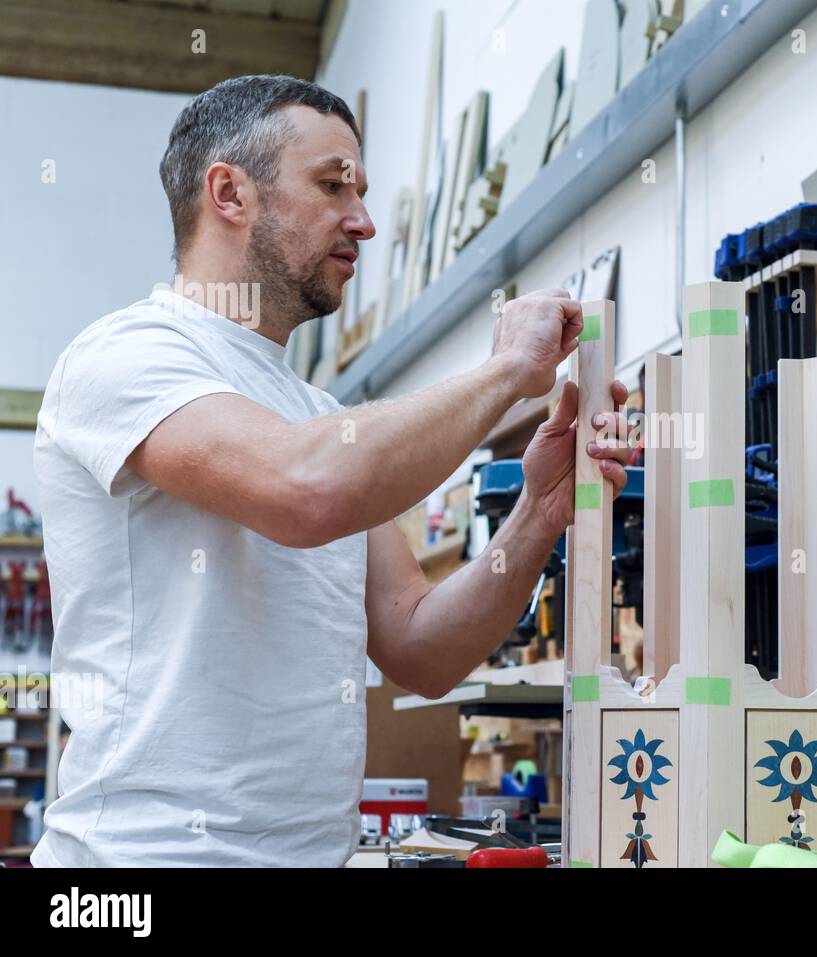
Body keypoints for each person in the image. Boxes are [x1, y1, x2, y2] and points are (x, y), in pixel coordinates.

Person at [31, 75, 630, 866]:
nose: (366, 222)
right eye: (331, 185)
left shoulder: (316, 411)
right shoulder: (126, 356)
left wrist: (537, 515)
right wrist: (504, 375)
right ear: (229, 193)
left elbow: (424, 648)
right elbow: (304, 491)